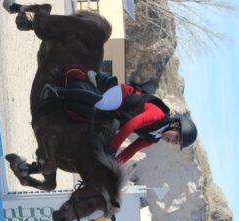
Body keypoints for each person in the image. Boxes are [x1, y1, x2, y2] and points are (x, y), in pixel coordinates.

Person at [42, 66, 198, 164]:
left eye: (176, 143)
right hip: (121, 97)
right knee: (100, 103)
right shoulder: (159, 114)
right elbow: (133, 125)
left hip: (119, 116)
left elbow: (131, 150)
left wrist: (113, 164)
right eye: (176, 138)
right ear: (175, 125)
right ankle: (57, 92)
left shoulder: (154, 138)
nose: (172, 141)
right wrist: (113, 146)